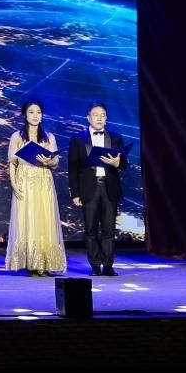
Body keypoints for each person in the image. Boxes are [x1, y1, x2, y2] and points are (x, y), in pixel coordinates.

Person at [5, 100, 66, 276]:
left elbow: (55, 162)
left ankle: (45, 264)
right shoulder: (17, 137)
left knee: (45, 219)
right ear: (25, 115)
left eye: (38, 112)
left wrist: (49, 161)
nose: (35, 115)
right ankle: (31, 263)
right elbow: (12, 163)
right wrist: (13, 183)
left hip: (43, 181)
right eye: (31, 112)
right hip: (24, 180)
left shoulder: (49, 137)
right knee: (28, 219)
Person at [68, 102, 128, 276]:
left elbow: (124, 164)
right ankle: (95, 266)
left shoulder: (116, 137)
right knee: (90, 230)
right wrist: (75, 193)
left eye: (103, 115)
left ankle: (108, 266)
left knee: (109, 230)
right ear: (88, 118)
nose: (99, 118)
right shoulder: (78, 139)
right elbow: (73, 168)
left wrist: (118, 163)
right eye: (95, 115)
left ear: (106, 118)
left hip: (109, 187)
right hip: (88, 188)